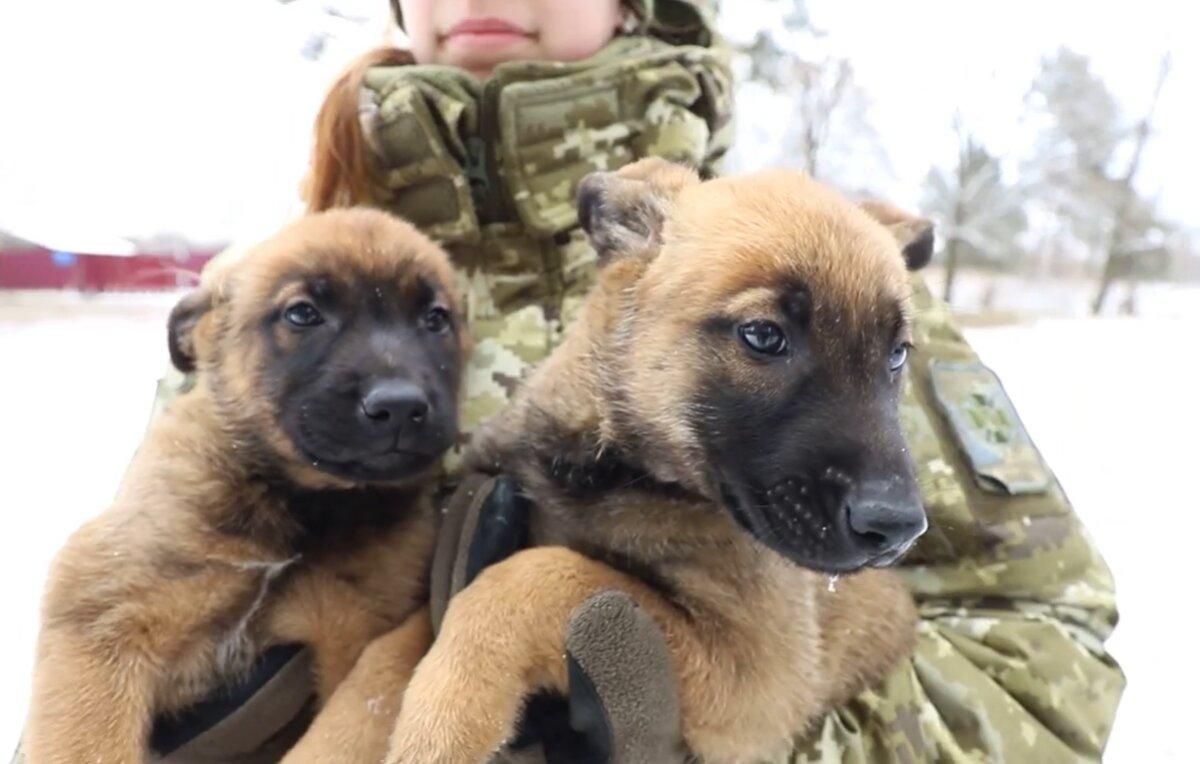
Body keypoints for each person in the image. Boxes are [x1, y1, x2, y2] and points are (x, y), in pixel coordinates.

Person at [13, 1, 1124, 761]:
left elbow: (1049, 655)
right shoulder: (274, 295)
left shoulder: (827, 271)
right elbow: (133, 616)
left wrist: (742, 737)